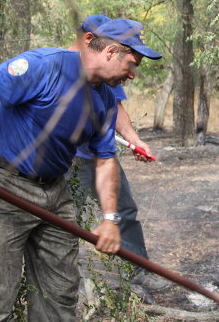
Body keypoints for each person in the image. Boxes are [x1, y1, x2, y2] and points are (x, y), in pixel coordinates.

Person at [0, 18, 161, 321]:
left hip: (55, 192)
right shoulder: (43, 66)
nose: (132, 74)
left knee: (61, 292)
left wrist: (109, 219)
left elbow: (105, 160)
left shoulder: (104, 100)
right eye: (132, 63)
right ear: (111, 51)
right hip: (4, 187)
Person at [66, 15, 168, 301]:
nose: (132, 72)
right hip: (61, 162)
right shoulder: (55, 67)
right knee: (60, 221)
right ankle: (68, 288)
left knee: (123, 210)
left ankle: (137, 272)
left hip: (96, 155)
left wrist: (134, 140)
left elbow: (116, 108)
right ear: (90, 39)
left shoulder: (108, 73)